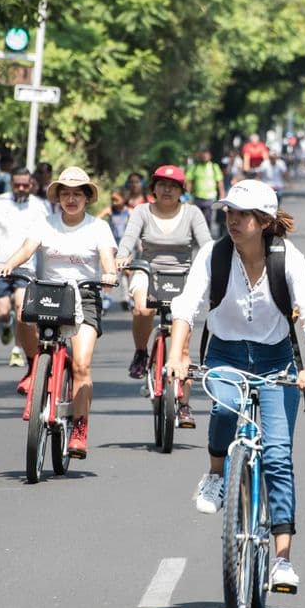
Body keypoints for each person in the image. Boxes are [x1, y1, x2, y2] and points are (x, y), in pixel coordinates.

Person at [166, 179, 305, 593]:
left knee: (277, 456)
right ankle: (217, 475)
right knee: (223, 407)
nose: (232, 220)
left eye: (242, 214)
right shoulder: (214, 255)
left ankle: (282, 559)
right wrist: (177, 354)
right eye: (229, 212)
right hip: (225, 354)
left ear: (265, 221)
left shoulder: (287, 258)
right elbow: (187, 305)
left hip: (277, 361)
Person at [0, 167, 119, 458]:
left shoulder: (98, 228)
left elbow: (106, 258)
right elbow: (27, 249)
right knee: (21, 310)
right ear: (58, 198)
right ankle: (34, 369)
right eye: (66, 194)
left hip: (85, 296)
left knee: (81, 365)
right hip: (49, 294)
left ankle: (79, 425)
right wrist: (9, 264)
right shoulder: (45, 224)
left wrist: (110, 273)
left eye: (78, 194)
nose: (71, 199)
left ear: (87, 198)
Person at [117, 165, 211, 428]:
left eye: (173, 186)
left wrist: (217, 265)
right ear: (153, 189)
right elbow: (128, 238)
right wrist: (123, 256)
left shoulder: (192, 213)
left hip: (184, 276)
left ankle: (183, 404)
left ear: (182, 190)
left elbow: (207, 245)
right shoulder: (142, 212)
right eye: (162, 184)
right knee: (143, 308)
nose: (167, 189)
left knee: (182, 346)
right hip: (148, 270)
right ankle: (140, 352)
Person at [0, 166, 51, 387]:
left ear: (31, 184)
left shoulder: (40, 206)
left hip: (27, 267)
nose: (21, 188)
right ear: (12, 183)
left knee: (22, 310)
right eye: (17, 184)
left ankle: (21, 350)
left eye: (25, 184)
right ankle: (7, 324)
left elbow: (49, 232)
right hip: (0, 265)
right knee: (1, 312)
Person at [185, 146, 225, 232]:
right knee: (196, 220)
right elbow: (189, 182)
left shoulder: (214, 167)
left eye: (206, 153)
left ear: (210, 155)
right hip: (197, 198)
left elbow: (220, 181)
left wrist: (222, 195)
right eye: (202, 153)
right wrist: (187, 197)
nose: (204, 156)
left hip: (210, 198)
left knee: (208, 220)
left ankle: (207, 238)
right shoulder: (194, 167)